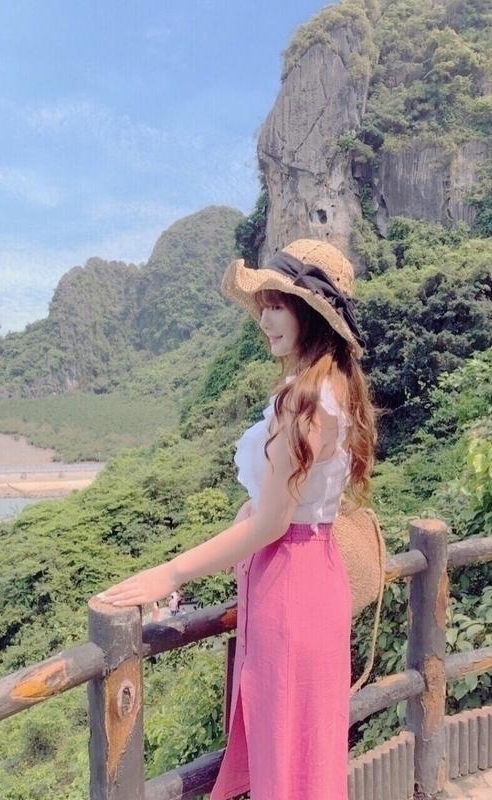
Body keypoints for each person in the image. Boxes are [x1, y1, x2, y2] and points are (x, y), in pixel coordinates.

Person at [98, 239, 377, 800]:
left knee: (283, 760)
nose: (265, 320)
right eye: (263, 307)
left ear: (309, 314)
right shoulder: (337, 390)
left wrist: (170, 573)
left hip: (288, 586)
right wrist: (257, 509)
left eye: (277, 306)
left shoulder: (303, 402)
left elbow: (272, 524)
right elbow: (296, 501)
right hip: (318, 580)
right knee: (309, 754)